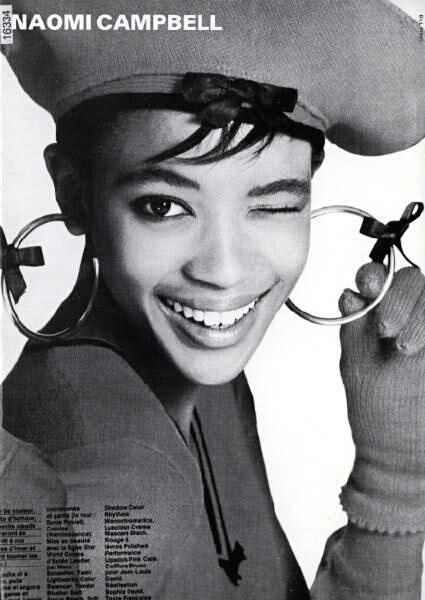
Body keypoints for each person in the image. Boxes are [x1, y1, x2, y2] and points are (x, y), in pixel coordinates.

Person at [1, 0, 424, 598]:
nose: (224, 272)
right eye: (164, 206)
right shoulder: (112, 484)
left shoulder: (203, 378)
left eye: (273, 205)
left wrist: (392, 476)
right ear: (75, 193)